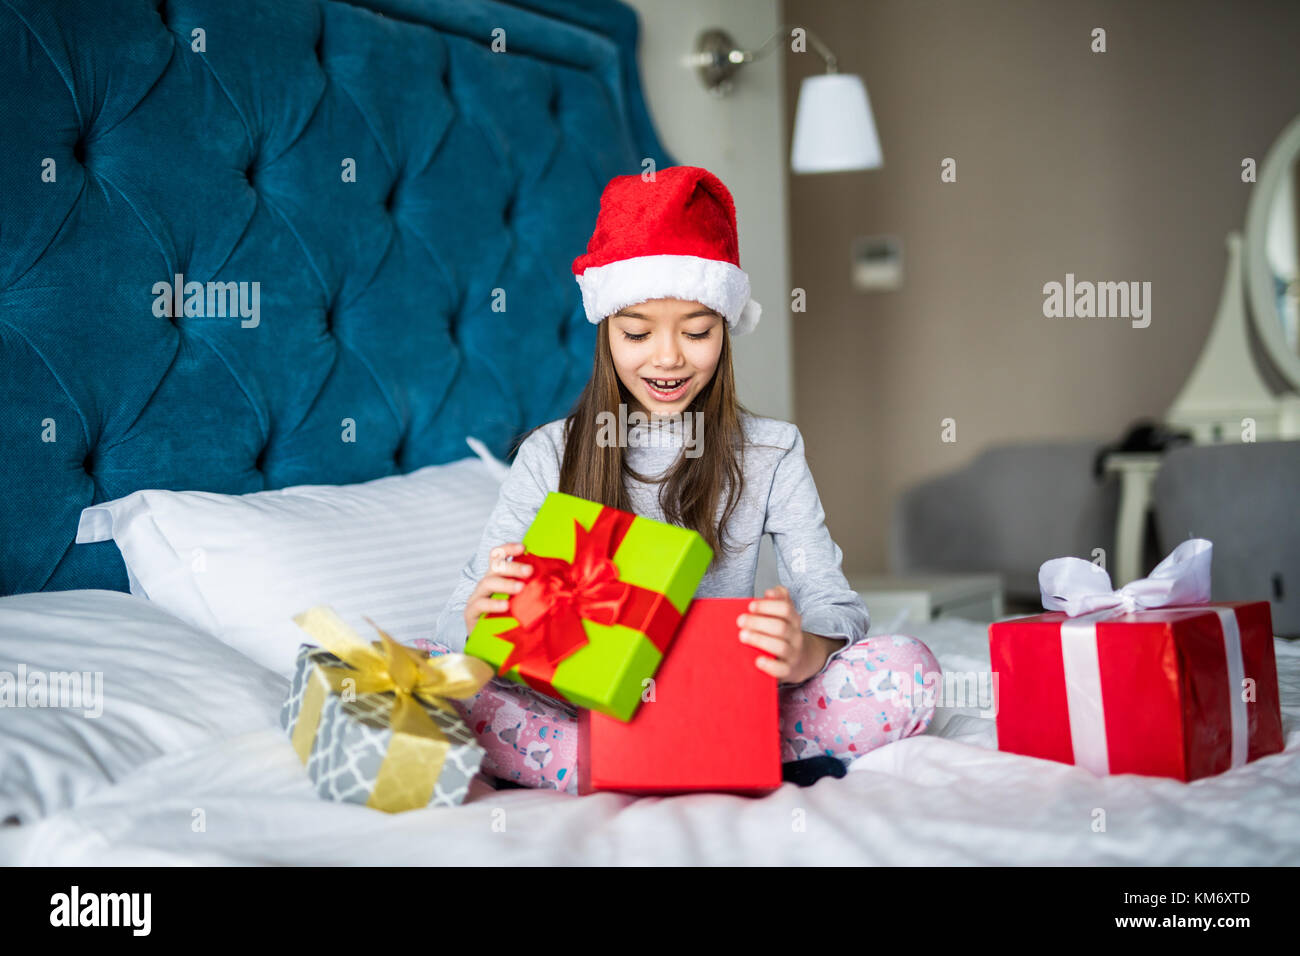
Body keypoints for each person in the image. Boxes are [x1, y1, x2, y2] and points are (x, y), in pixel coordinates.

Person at [416, 165, 940, 794]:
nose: (668, 358)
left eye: (697, 332)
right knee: (431, 667)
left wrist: (806, 649)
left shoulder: (772, 451)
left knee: (909, 670)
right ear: (606, 331)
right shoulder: (549, 454)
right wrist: (481, 617)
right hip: (584, 709)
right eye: (637, 333)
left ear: (726, 327)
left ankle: (664, 756)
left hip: (727, 702)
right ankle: (640, 756)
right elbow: (456, 625)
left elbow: (836, 603)